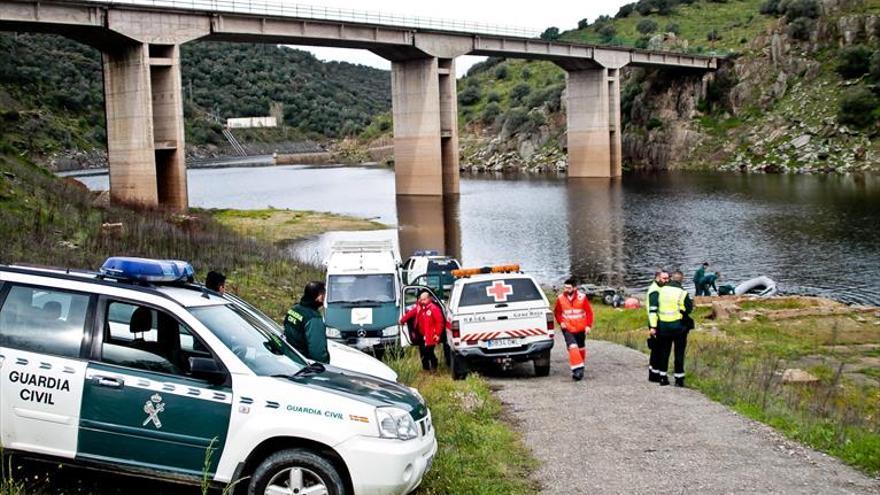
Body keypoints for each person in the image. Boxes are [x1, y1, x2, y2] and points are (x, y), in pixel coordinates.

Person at [648, 270, 693, 387]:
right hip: (678, 327)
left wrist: (653, 326)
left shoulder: (661, 291)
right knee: (679, 352)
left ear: (671, 278)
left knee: (664, 352)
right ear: (681, 280)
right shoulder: (682, 293)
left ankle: (663, 377)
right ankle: (679, 378)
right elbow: (688, 309)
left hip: (663, 326)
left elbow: (655, 309)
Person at [554, 278, 594, 381]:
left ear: (574, 288)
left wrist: (588, 326)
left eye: (569, 287)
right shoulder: (560, 298)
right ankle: (577, 370)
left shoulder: (582, 297)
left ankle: (581, 367)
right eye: (565, 287)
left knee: (580, 348)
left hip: (580, 328)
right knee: (572, 347)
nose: (566, 289)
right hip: (567, 328)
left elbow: (589, 312)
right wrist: (561, 322)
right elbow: (557, 312)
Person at [283, 281, 330, 364]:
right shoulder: (313, 319)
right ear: (319, 297)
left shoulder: (294, 309)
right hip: (304, 364)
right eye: (324, 295)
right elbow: (318, 353)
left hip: (290, 358)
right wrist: (324, 367)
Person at [399, 290, 444, 371]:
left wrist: (437, 334)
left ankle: (434, 365)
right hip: (422, 334)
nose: (423, 301)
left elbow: (439, 322)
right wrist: (402, 320)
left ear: (429, 299)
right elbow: (410, 314)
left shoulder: (434, 308)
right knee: (422, 352)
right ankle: (426, 368)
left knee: (429, 351)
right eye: (421, 299)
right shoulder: (419, 308)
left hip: (431, 335)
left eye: (424, 299)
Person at [646, 270, 669, 383]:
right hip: (655, 322)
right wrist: (653, 327)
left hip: (656, 321)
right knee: (657, 349)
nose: (666, 280)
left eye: (667, 278)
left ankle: (653, 373)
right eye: (664, 278)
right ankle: (655, 374)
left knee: (656, 349)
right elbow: (653, 310)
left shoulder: (659, 288)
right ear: (657, 278)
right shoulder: (655, 291)